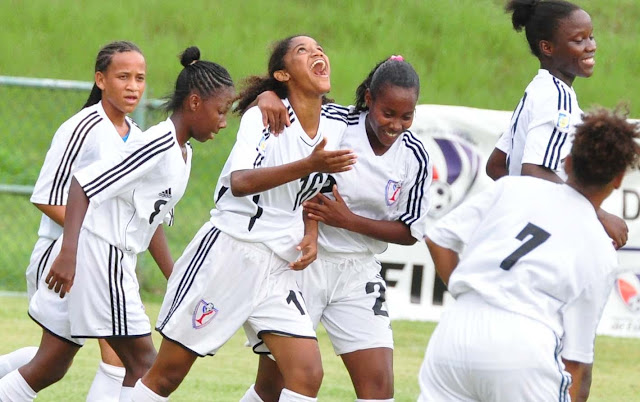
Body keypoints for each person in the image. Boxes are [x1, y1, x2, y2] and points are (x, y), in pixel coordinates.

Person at [0, 46, 235, 402]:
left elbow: (148, 218)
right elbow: (79, 186)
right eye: (220, 111)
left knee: (52, 363)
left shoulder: (169, 147)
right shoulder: (137, 138)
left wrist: (175, 277)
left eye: (139, 78)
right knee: (142, 365)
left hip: (104, 256)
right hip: (90, 255)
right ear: (194, 103)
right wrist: (69, 252)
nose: (223, 122)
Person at [131, 35, 357, 402]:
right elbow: (240, 182)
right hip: (230, 252)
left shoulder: (336, 124)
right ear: (282, 74)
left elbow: (319, 186)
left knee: (306, 375)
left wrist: (311, 232)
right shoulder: (261, 116)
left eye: (319, 49)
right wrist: (308, 162)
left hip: (278, 264)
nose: (317, 53)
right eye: (303, 50)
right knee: (167, 375)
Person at [419, 107, 640, 402]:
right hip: (523, 344)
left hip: (455, 332)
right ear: (618, 179)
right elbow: (575, 362)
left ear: (568, 162)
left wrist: (472, 295)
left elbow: (438, 238)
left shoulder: (512, 188)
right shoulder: (601, 250)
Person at [245, 56, 431, 402]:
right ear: (370, 100)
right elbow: (282, 105)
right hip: (303, 263)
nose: (396, 124)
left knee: (378, 388)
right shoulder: (336, 121)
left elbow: (409, 231)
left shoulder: (414, 156)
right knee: (273, 387)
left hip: (358, 272)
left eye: (407, 116)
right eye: (388, 113)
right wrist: (266, 97)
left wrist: (350, 221)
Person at [0, 41, 150, 401]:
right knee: (68, 362)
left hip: (106, 262)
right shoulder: (82, 127)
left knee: (61, 361)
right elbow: (47, 197)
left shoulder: (140, 137)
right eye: (123, 76)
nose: (133, 86)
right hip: (63, 258)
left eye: (140, 78)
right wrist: (86, 243)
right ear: (100, 79)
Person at [484, 0, 628, 248]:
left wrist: (521, 207)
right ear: (547, 47)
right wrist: (595, 213)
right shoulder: (557, 99)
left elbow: (496, 165)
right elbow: (534, 170)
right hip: (542, 236)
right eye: (578, 40)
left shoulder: (536, 91)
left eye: (591, 37)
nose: (590, 46)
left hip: (519, 232)